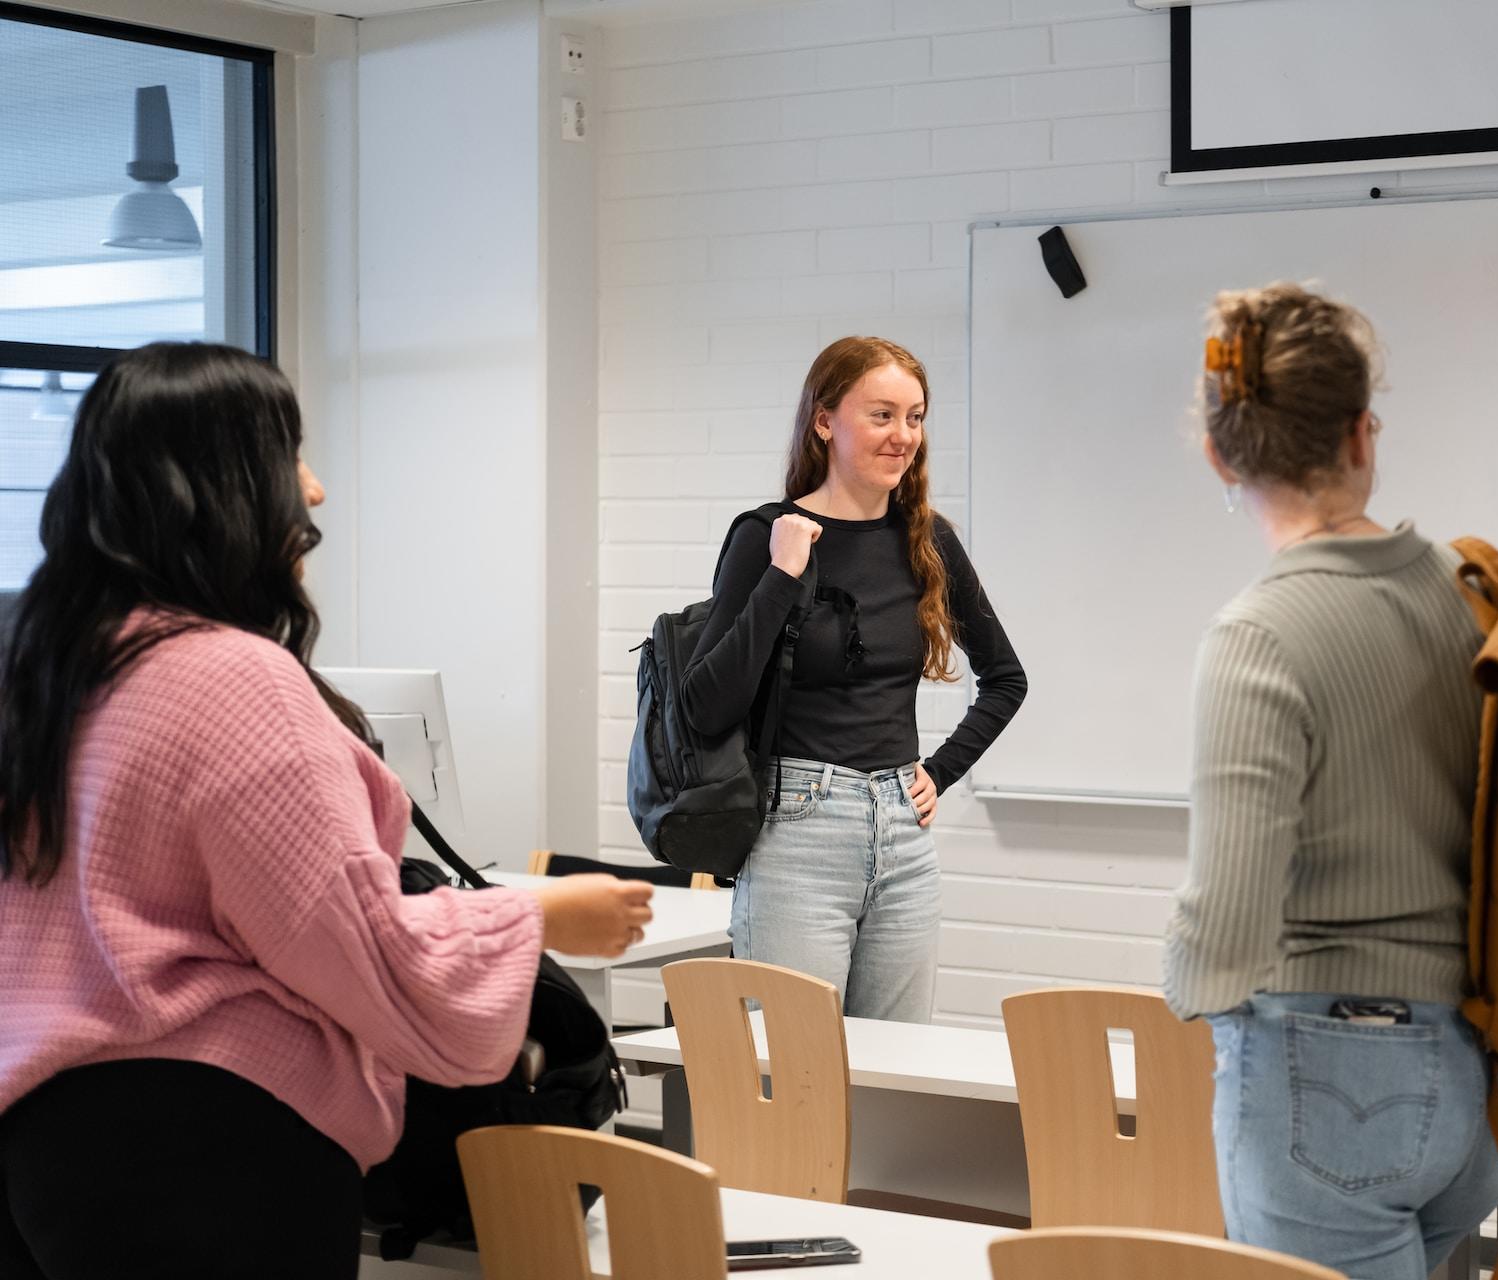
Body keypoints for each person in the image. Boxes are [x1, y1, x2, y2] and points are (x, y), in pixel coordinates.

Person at [0, 343, 653, 1279]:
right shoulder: (231, 678)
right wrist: (540, 914)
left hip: (39, 1146)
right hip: (213, 1149)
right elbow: (355, 948)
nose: (313, 490)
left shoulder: (42, 674)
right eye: (289, 454)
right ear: (223, 483)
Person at [1163, 283, 1498, 1279]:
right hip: (1489, 1077)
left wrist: (1181, 986)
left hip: (1332, 1076)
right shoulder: (1472, 592)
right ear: (1364, 433)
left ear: (1217, 452)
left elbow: (1227, 925)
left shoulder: (1258, 633)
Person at [682, 336, 1025, 1023]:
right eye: (882, 415)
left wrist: (941, 772)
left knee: (894, 1081)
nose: (903, 436)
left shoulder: (929, 540)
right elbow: (704, 703)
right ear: (824, 420)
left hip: (902, 835)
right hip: (796, 833)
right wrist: (782, 575)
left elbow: (1006, 679)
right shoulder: (764, 536)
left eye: (915, 417)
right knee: (791, 1074)